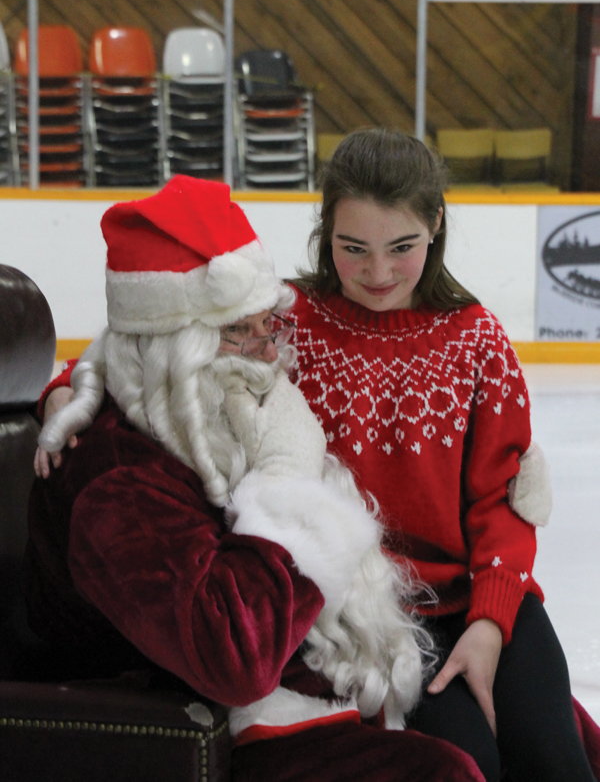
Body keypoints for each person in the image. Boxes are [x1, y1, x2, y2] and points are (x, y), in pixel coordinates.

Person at [36, 136, 600, 782]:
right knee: (479, 761)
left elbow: (503, 498)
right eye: (353, 247)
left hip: (486, 602)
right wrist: (64, 393)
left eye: (402, 247)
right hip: (385, 621)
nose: (379, 271)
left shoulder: (478, 340)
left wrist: (492, 623)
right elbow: (150, 348)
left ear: (435, 225)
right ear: (325, 229)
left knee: (562, 760)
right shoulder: (286, 321)